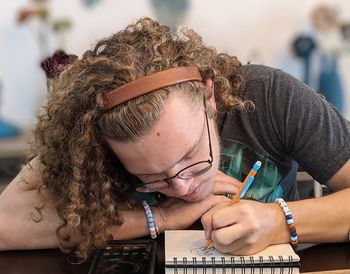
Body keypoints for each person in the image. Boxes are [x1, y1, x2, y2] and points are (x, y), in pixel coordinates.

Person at [0, 17, 349, 262]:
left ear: (210, 98)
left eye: (192, 156)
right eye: (153, 176)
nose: (182, 187)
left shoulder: (272, 97)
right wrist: (161, 217)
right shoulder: (91, 133)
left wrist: (278, 222)